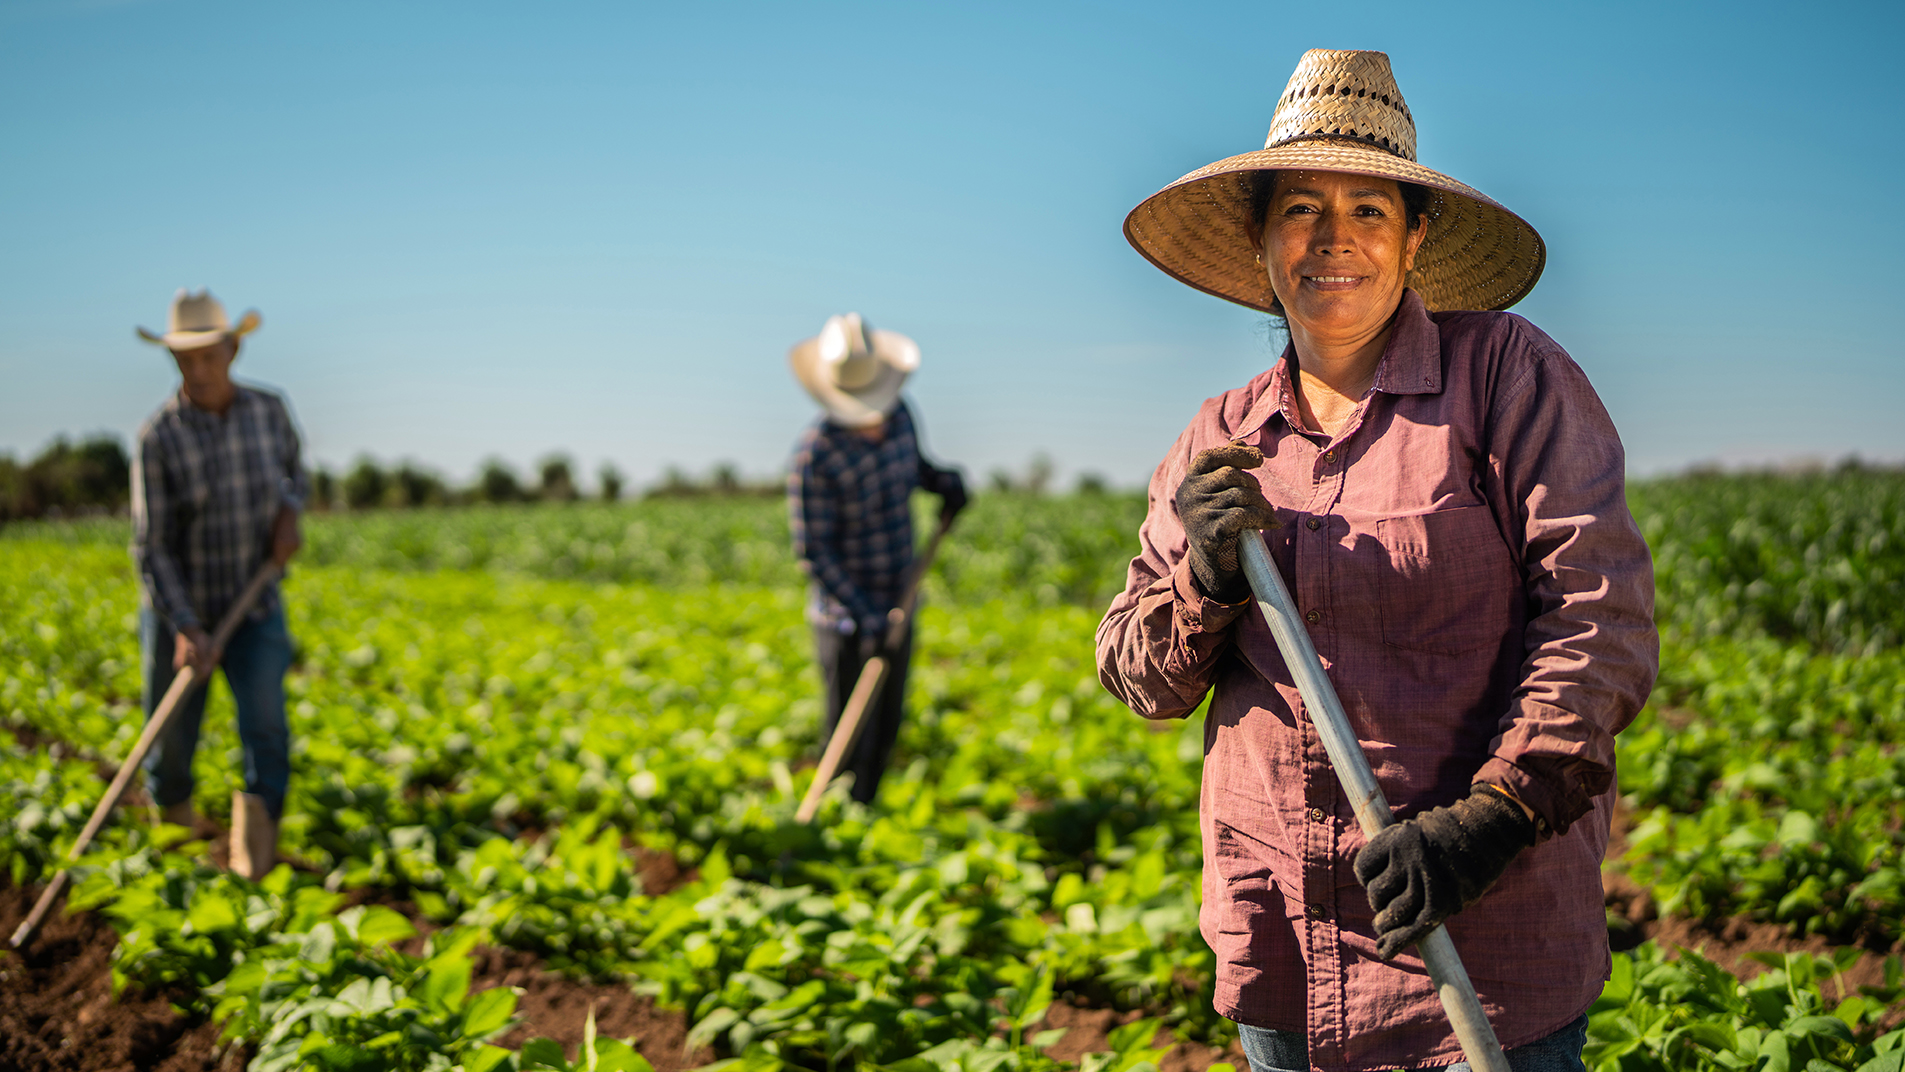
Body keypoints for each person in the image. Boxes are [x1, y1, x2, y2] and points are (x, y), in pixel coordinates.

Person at [1097, 51, 1658, 1072]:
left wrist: (1494, 815)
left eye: (1368, 209)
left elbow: (1599, 618)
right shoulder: (1218, 437)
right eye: (1302, 208)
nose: (1333, 238)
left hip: (1482, 937)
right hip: (1287, 939)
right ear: (1263, 241)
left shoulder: (1505, 378)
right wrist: (1209, 581)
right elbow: (1137, 673)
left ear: (1415, 237)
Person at [133, 288, 307, 880]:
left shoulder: (269, 411)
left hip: (254, 607)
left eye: (208, 355)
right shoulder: (158, 438)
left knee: (265, 728)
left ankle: (254, 869)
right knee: (173, 745)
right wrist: (185, 627)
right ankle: (175, 871)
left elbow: (295, 472)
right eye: (185, 359)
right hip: (182, 614)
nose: (197, 370)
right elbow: (152, 546)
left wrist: (289, 512)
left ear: (232, 349)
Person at [788, 313, 967, 805]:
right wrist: (867, 614)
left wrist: (944, 483)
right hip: (843, 618)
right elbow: (813, 551)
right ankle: (835, 824)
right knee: (847, 727)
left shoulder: (901, 415)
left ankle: (865, 815)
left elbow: (918, 470)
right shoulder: (815, 456)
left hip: (900, 597)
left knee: (886, 724)